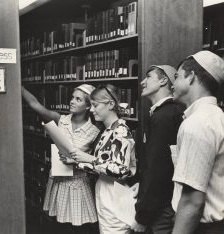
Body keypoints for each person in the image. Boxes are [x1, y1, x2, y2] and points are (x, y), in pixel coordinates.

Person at [21, 84, 101, 233]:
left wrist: (77, 162)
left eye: (78, 99)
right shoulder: (61, 120)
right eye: (72, 97)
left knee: (79, 227)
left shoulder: (95, 131)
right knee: (58, 226)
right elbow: (35, 105)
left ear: (88, 106)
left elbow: (97, 161)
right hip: (58, 181)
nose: (72, 101)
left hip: (79, 184)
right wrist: (20, 87)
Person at [70, 84, 137, 234]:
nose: (91, 110)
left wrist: (87, 158)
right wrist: (77, 161)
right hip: (106, 192)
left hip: (115, 195)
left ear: (111, 104)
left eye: (95, 105)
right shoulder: (108, 130)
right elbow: (103, 164)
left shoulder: (120, 131)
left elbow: (120, 169)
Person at [171, 50, 224, 234]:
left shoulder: (198, 123)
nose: (172, 84)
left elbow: (192, 200)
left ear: (191, 77)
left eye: (177, 76)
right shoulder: (216, 116)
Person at [131, 65, 185, 234]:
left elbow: (158, 169)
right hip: (161, 203)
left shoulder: (164, 116)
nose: (142, 82)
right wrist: (142, 184)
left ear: (163, 81)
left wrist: (142, 216)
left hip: (161, 209)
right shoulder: (164, 113)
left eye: (148, 77)